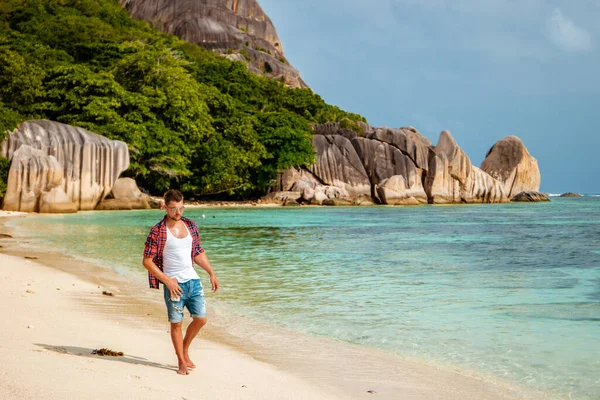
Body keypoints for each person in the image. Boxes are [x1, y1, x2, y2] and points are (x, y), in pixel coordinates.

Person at [143, 189, 219, 375]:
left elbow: (198, 252)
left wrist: (211, 272)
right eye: (174, 209)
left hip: (193, 280)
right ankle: (181, 361)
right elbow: (147, 261)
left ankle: (184, 350)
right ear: (165, 207)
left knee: (201, 319)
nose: (178, 212)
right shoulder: (157, 231)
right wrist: (167, 281)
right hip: (174, 285)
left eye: (181, 208)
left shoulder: (190, 225)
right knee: (176, 323)